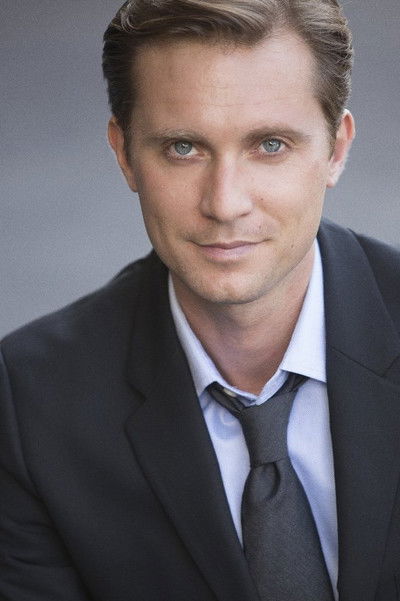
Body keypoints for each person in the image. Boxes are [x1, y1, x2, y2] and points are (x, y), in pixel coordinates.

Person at [1, 0, 400, 600]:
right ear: (124, 154)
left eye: (270, 145)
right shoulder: (29, 402)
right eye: (183, 148)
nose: (224, 203)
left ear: (335, 150)